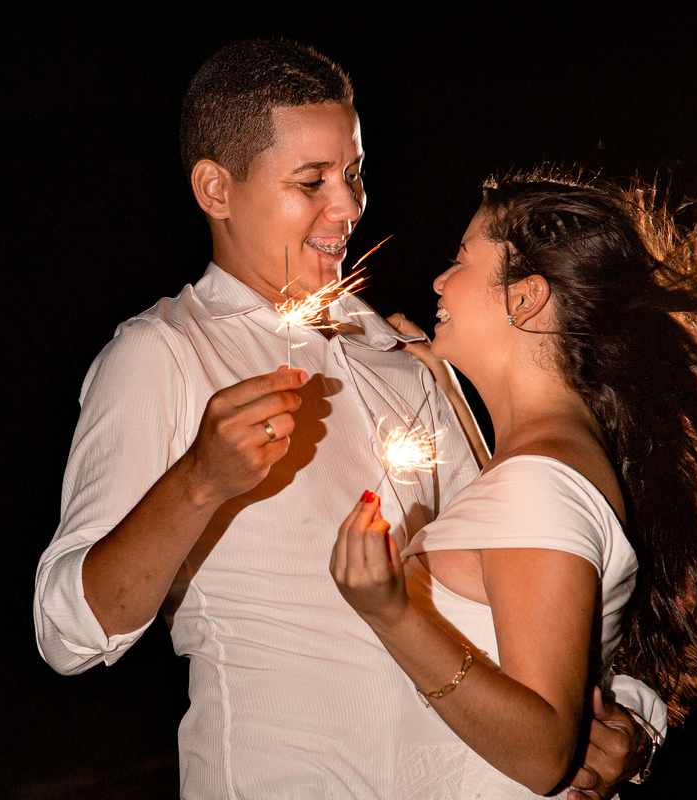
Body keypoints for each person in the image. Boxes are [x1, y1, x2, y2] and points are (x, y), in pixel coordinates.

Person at [34, 41, 661, 799]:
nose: (350, 207)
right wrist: (197, 482)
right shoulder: (162, 353)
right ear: (216, 189)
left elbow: (514, 585)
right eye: (312, 182)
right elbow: (65, 632)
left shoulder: (404, 356)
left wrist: (626, 718)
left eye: (354, 173)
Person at [332, 171, 697, 796]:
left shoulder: (539, 480)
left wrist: (392, 614)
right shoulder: (545, 464)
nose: (439, 281)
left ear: (525, 298)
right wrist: (449, 391)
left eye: (461, 260)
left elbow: (543, 752)